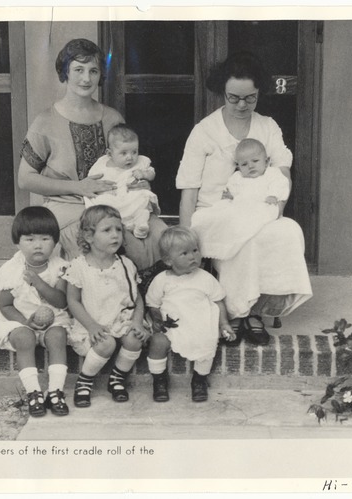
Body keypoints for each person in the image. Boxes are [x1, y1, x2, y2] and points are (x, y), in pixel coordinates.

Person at [175, 51, 312, 346]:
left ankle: (257, 308)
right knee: (244, 239)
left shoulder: (268, 127)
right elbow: (188, 189)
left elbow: (282, 174)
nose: (241, 105)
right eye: (233, 97)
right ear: (222, 92)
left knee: (288, 230)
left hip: (258, 210)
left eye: (250, 98)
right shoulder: (204, 132)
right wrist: (186, 235)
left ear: (259, 93)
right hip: (215, 213)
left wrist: (271, 210)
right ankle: (241, 313)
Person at [17, 38, 167, 271]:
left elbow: (127, 162)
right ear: (65, 72)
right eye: (78, 70)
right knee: (96, 246)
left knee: (160, 235)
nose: (86, 78)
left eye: (93, 71)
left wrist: (139, 182)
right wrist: (79, 187)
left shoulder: (112, 118)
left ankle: (144, 298)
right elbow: (25, 178)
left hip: (117, 201)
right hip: (69, 206)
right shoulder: (45, 121)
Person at [0, 206, 72, 418]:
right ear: (17, 242)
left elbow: (61, 301)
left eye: (45, 239)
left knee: (58, 336)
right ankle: (34, 393)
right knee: (24, 338)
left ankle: (55, 391)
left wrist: (39, 283)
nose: (38, 245)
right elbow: (5, 306)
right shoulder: (11, 270)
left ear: (55, 241)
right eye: (30, 239)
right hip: (20, 320)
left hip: (54, 317)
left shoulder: (61, 268)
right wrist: (25, 322)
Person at [62, 205, 150, 408]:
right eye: (107, 230)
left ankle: (117, 378)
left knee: (135, 338)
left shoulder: (125, 264)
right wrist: (92, 326)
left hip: (121, 320)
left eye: (119, 230)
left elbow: (136, 298)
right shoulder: (79, 266)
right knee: (105, 344)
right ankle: (84, 380)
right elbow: (72, 301)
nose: (115, 235)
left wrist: (137, 321)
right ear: (89, 237)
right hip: (92, 322)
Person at [145, 226, 236, 403]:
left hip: (199, 323)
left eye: (195, 250)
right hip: (172, 324)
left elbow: (218, 301)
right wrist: (157, 319)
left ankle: (200, 379)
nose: (192, 256)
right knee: (158, 341)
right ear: (168, 260)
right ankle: (159, 379)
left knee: (208, 341)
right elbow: (153, 304)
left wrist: (224, 324)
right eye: (184, 253)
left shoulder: (205, 277)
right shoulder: (162, 279)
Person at [190, 138, 289, 260]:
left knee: (252, 219)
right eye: (244, 164)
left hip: (261, 206)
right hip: (240, 208)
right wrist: (229, 196)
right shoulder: (237, 178)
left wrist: (273, 195)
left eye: (255, 161)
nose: (250, 166)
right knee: (206, 216)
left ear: (267, 161)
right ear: (238, 166)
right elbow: (230, 192)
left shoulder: (271, 174)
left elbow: (281, 184)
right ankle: (213, 248)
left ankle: (235, 243)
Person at [84, 124, 160, 239]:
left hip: (131, 195)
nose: (130, 157)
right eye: (124, 153)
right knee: (101, 203)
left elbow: (152, 173)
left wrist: (144, 174)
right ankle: (112, 225)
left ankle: (140, 225)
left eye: (134, 152)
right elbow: (92, 179)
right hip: (112, 197)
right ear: (110, 153)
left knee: (142, 199)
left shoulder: (141, 162)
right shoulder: (102, 164)